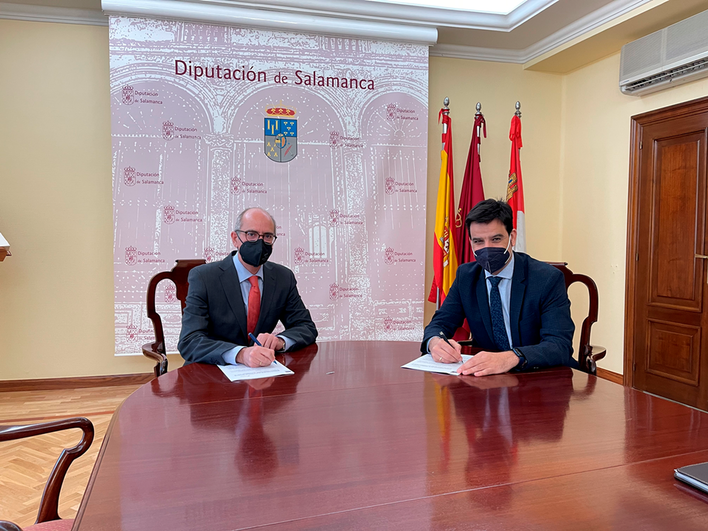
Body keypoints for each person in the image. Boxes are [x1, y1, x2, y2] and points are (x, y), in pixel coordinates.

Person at [422, 199, 576, 376]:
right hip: (487, 379)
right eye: (478, 241)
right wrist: (435, 342)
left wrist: (512, 358)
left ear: (512, 237)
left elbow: (559, 345)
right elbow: (440, 323)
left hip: (538, 377)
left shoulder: (547, 279)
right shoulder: (466, 276)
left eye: (496, 239)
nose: (487, 248)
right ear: (471, 243)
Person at [178, 207, 317, 367]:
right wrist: (240, 354)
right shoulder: (204, 277)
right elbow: (190, 341)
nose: (260, 242)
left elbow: (306, 327)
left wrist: (279, 341)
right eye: (251, 234)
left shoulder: (283, 277)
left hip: (261, 372)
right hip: (210, 373)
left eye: (267, 236)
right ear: (235, 238)